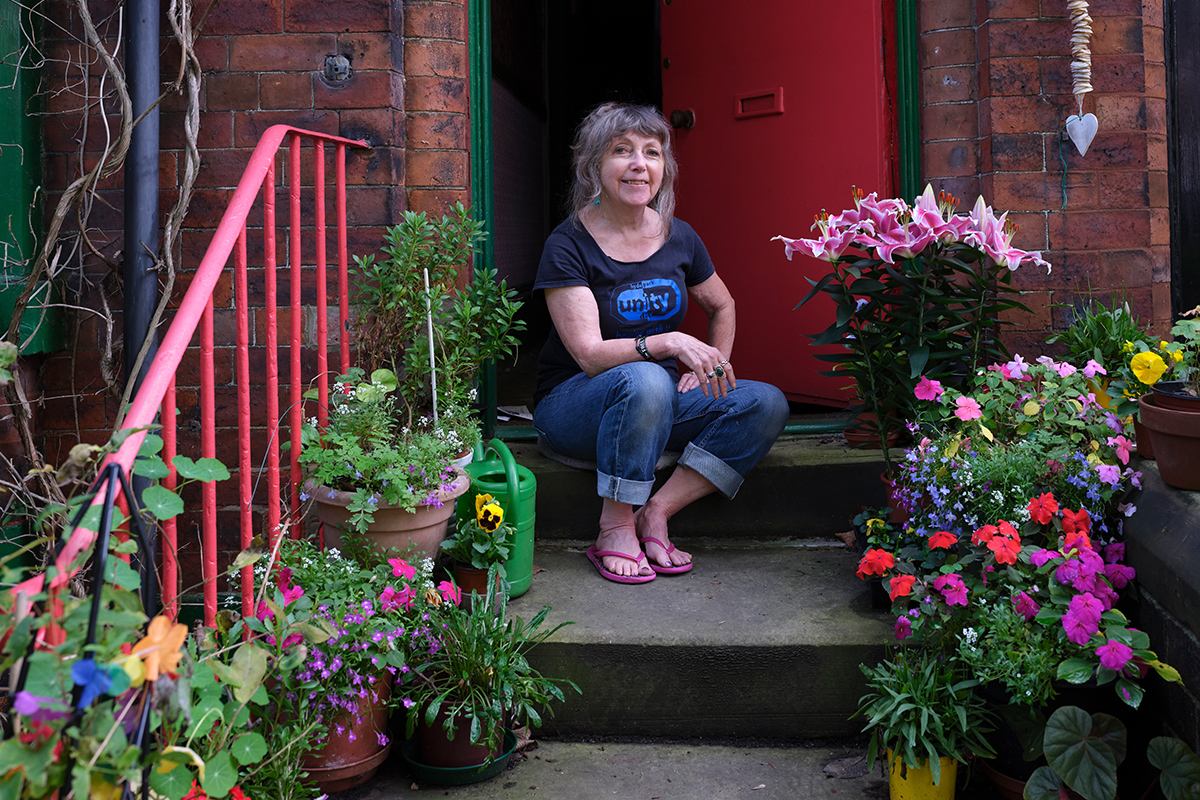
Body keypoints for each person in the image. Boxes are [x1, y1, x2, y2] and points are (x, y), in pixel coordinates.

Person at [531, 102, 789, 584]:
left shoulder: (679, 236)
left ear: (663, 169)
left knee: (765, 402)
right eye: (621, 151)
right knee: (646, 376)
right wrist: (669, 342)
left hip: (657, 403)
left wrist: (711, 367)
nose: (638, 164)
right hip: (575, 407)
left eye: (652, 152)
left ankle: (657, 511)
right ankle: (615, 524)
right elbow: (588, 355)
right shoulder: (568, 243)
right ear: (593, 166)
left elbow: (722, 305)